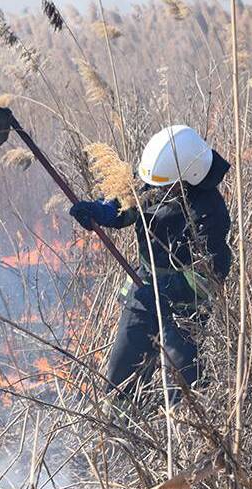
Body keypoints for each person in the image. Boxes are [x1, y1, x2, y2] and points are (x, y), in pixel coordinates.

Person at [69, 125, 232, 409]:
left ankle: (182, 435)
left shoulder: (209, 212)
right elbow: (127, 205)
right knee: (122, 375)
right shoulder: (158, 182)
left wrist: (163, 290)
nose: (156, 191)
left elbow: (208, 278)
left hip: (185, 308)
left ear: (187, 179)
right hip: (144, 288)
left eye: (165, 186)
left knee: (183, 386)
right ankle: (123, 426)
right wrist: (100, 212)